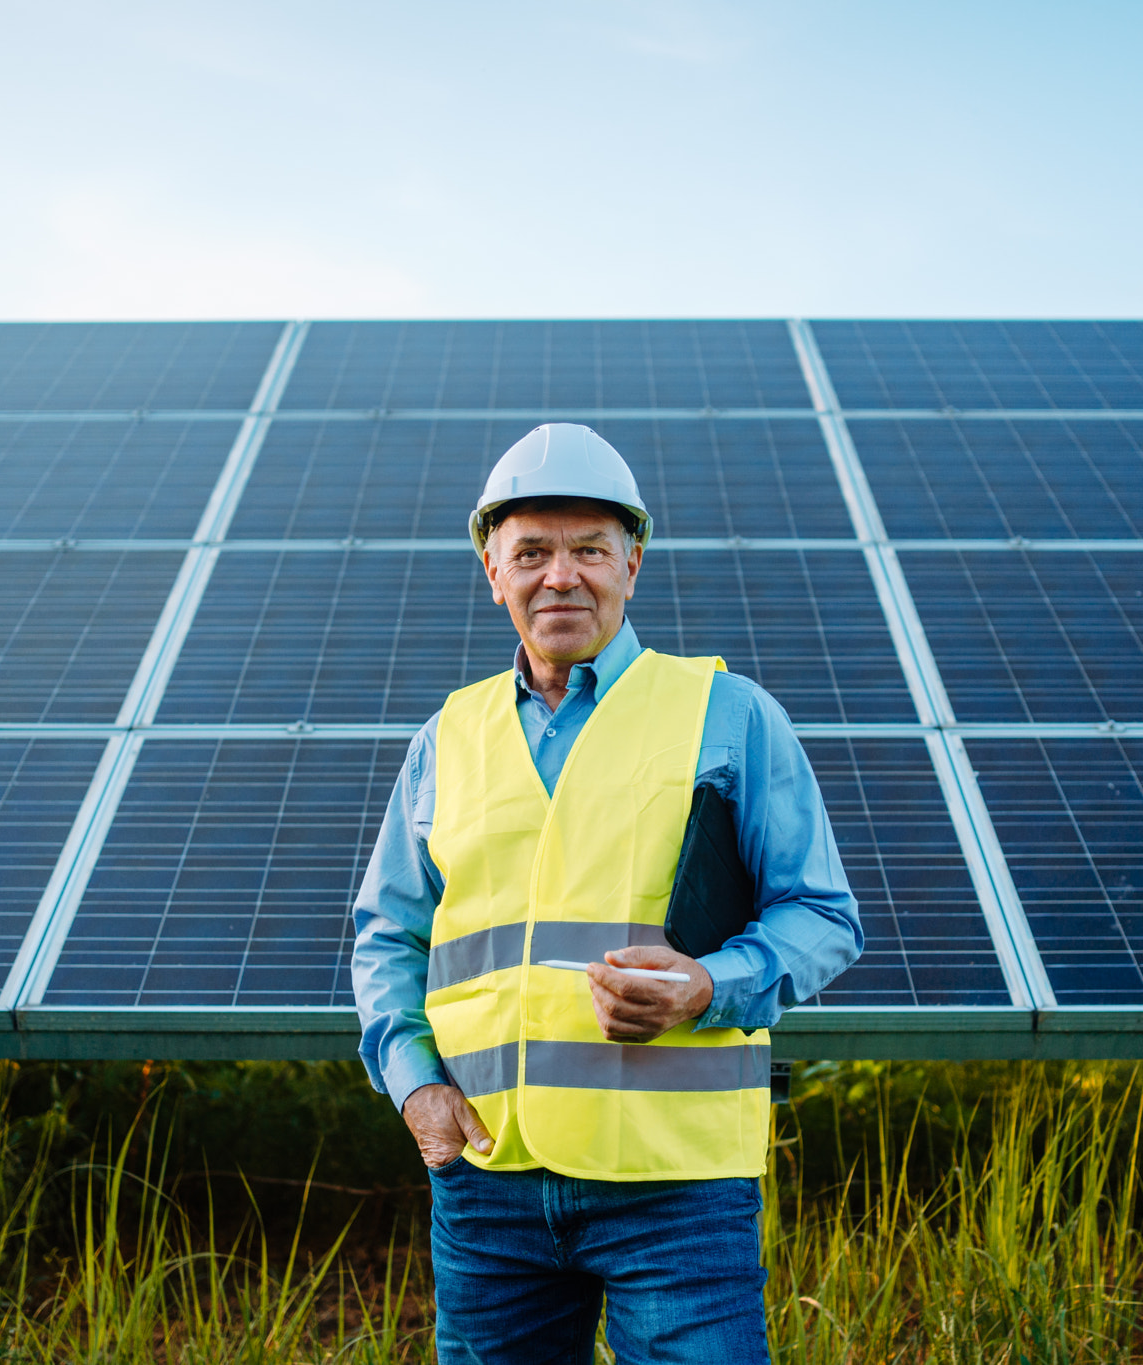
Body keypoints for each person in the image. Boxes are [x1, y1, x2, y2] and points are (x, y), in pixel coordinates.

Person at [351, 423, 862, 1364]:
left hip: (677, 1188)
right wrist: (417, 1085)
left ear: (633, 561)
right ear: (492, 571)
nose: (562, 575)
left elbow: (824, 918)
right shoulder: (445, 739)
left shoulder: (729, 714)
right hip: (488, 1184)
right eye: (532, 552)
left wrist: (709, 985)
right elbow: (390, 937)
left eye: (589, 549)